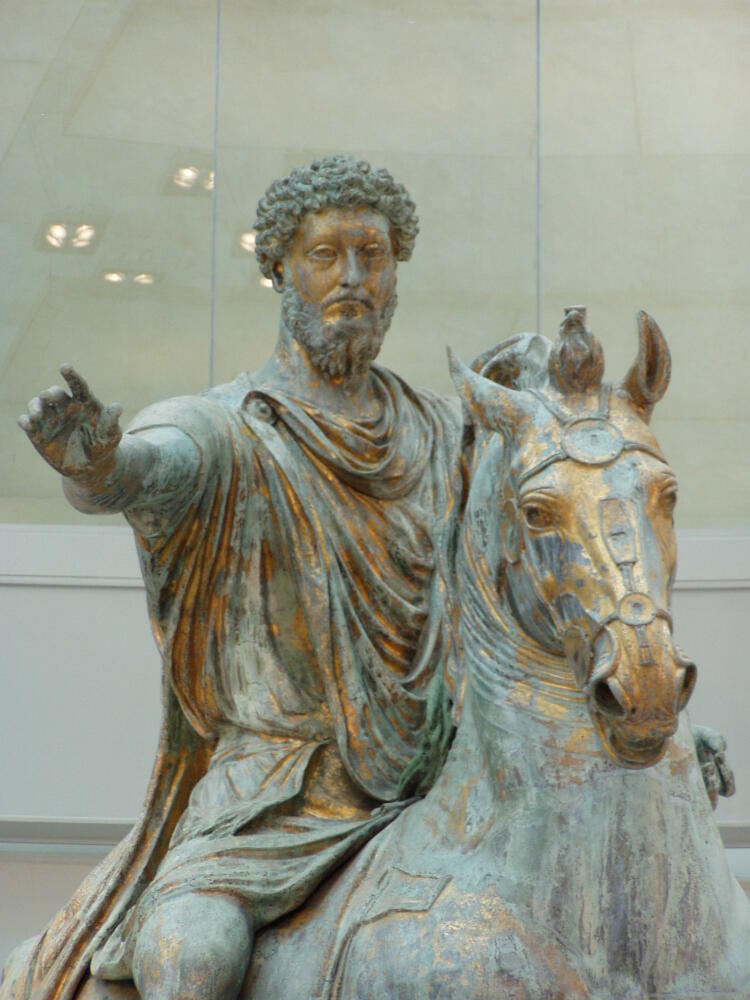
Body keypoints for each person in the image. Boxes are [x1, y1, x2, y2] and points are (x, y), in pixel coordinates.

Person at [11, 155, 464, 1000]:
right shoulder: (228, 429)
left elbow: (537, 595)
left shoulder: (445, 435)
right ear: (280, 270)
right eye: (325, 255)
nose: (353, 278)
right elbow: (155, 468)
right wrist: (103, 467)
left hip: (443, 783)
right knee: (193, 956)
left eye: (372, 255)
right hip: (270, 797)